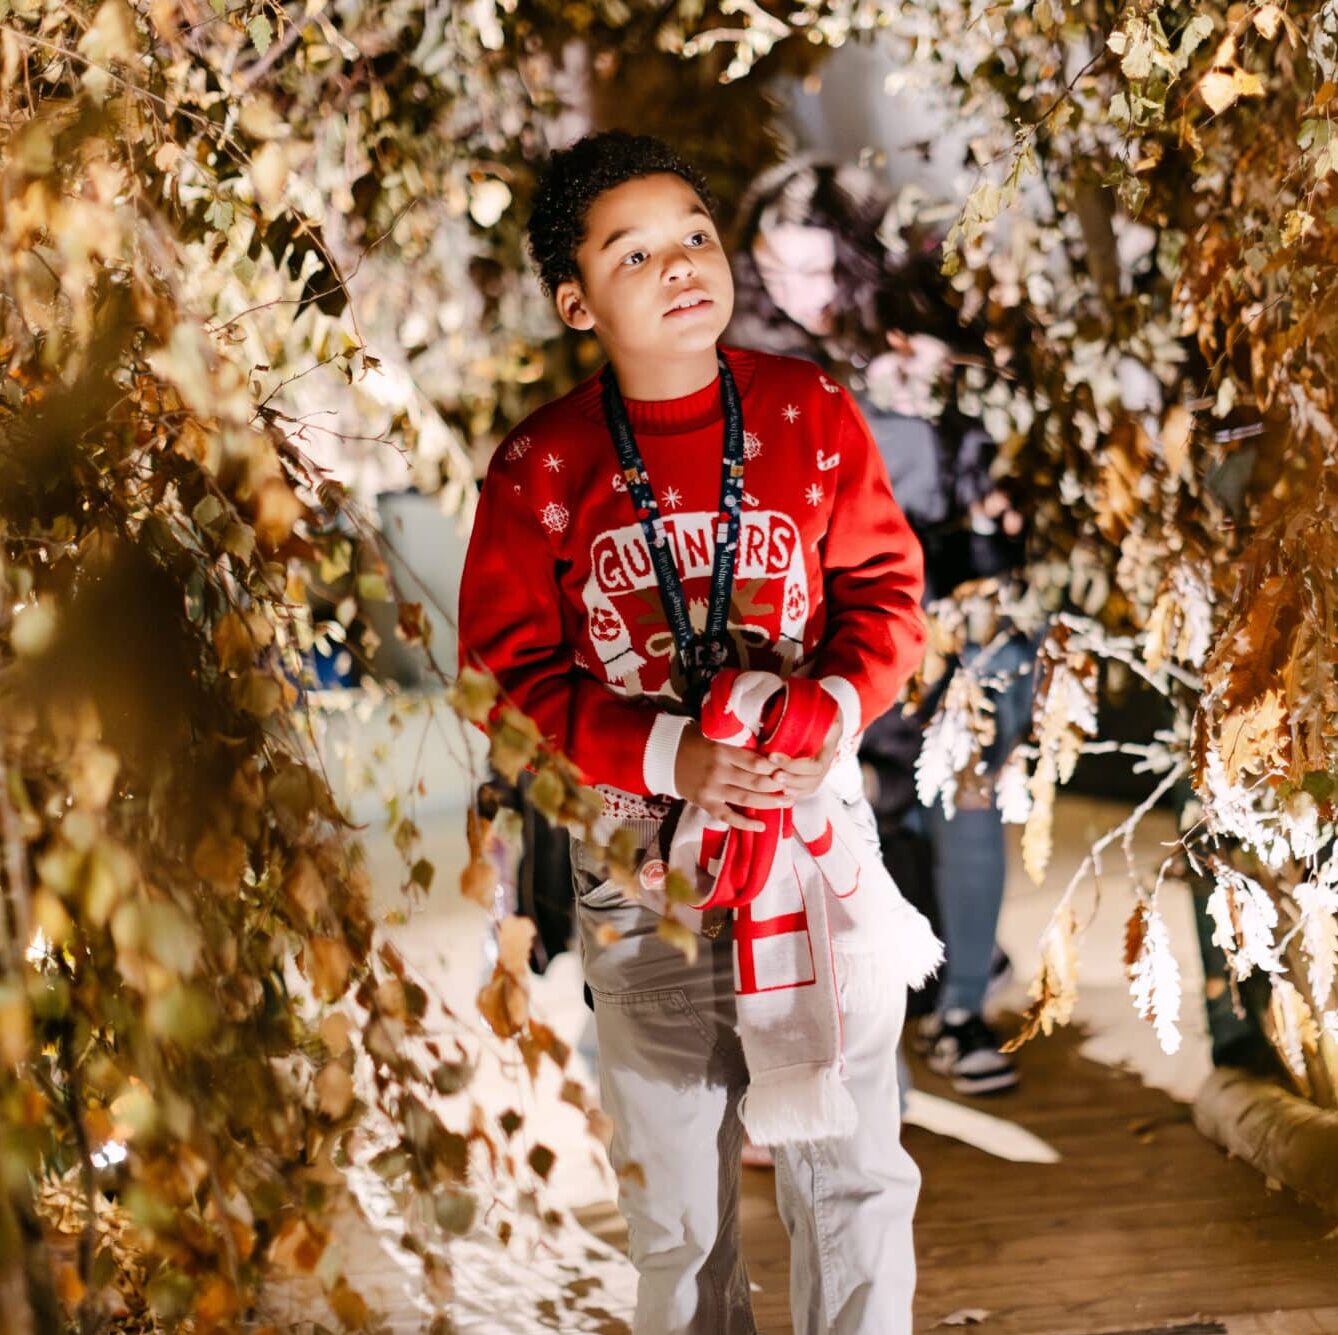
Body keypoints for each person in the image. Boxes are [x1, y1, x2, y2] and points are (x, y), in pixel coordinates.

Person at [458, 131, 929, 1335]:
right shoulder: (541, 465)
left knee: (857, 1182)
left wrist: (834, 702)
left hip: (812, 853)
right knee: (681, 1220)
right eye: (634, 251)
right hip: (642, 871)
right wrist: (671, 756)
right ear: (576, 300)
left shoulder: (811, 411)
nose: (680, 266)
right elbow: (507, 673)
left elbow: (884, 594)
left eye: (695, 237)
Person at [729, 159, 1032, 1095]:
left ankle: (963, 1008)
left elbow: (996, 454)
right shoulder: (755, 359)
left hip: (951, 591)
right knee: (873, 802)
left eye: (818, 270)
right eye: (778, 270)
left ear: (855, 262)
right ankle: (902, 1005)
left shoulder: (919, 332)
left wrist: (942, 397)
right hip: (833, 615)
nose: (799, 291)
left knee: (972, 770)